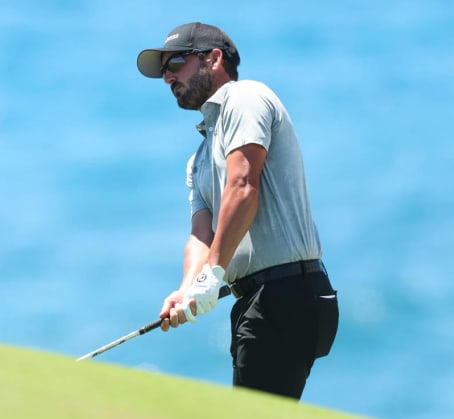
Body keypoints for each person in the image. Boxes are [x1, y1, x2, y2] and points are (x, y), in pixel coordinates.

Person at [136, 22, 338, 399]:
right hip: (258, 300)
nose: (167, 78)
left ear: (213, 59)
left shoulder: (245, 98)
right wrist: (186, 290)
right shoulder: (198, 159)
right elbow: (201, 234)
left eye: (175, 63)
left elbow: (243, 188)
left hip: (288, 291)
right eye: (163, 71)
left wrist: (211, 275)